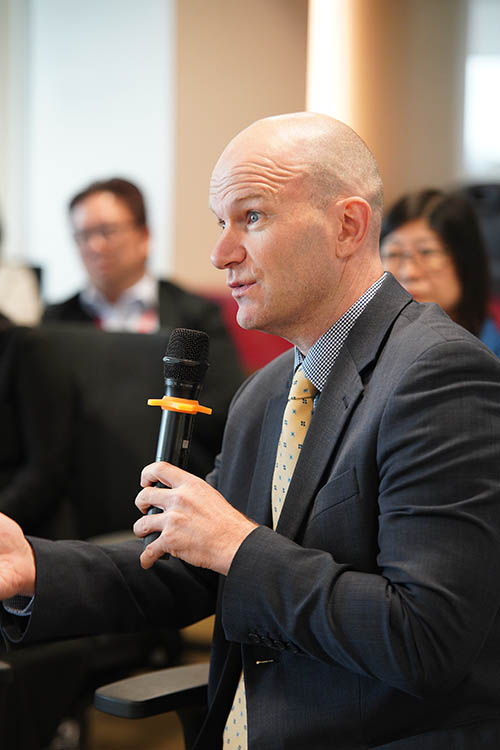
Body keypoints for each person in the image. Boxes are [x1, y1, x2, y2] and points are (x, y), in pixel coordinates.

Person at [1, 112, 500, 749]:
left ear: (347, 226)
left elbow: (424, 639)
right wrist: (32, 566)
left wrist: (238, 545)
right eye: (221, 223)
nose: (221, 254)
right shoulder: (268, 391)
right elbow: (191, 563)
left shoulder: (439, 375)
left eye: (252, 218)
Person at [42, 176, 234, 341]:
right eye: (84, 236)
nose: (95, 246)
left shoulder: (197, 317)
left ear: (144, 236)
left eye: (107, 232)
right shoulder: (54, 321)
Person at [380, 188, 500, 356]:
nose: (409, 273)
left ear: (466, 260)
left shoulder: (490, 352)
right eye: (394, 254)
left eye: (426, 252)